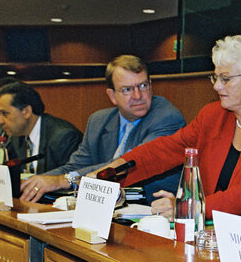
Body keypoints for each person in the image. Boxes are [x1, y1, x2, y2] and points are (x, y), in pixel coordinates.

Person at [95, 33, 241, 223]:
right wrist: (111, 173)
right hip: (208, 229)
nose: (216, 86)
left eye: (225, 79)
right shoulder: (212, 116)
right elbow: (164, 150)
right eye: (216, 77)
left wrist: (192, 208)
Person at [19, 55, 186, 202]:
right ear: (112, 95)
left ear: (151, 85)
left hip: (148, 207)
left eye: (143, 86)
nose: (138, 96)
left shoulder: (166, 116)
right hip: (103, 207)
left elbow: (125, 166)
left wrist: (64, 180)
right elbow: (74, 167)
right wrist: (37, 181)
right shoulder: (99, 120)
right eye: (127, 89)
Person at [0, 81, 83, 173]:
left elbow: (72, 178)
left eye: (5, 113)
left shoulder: (64, 137)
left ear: (26, 112)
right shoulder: (16, 135)